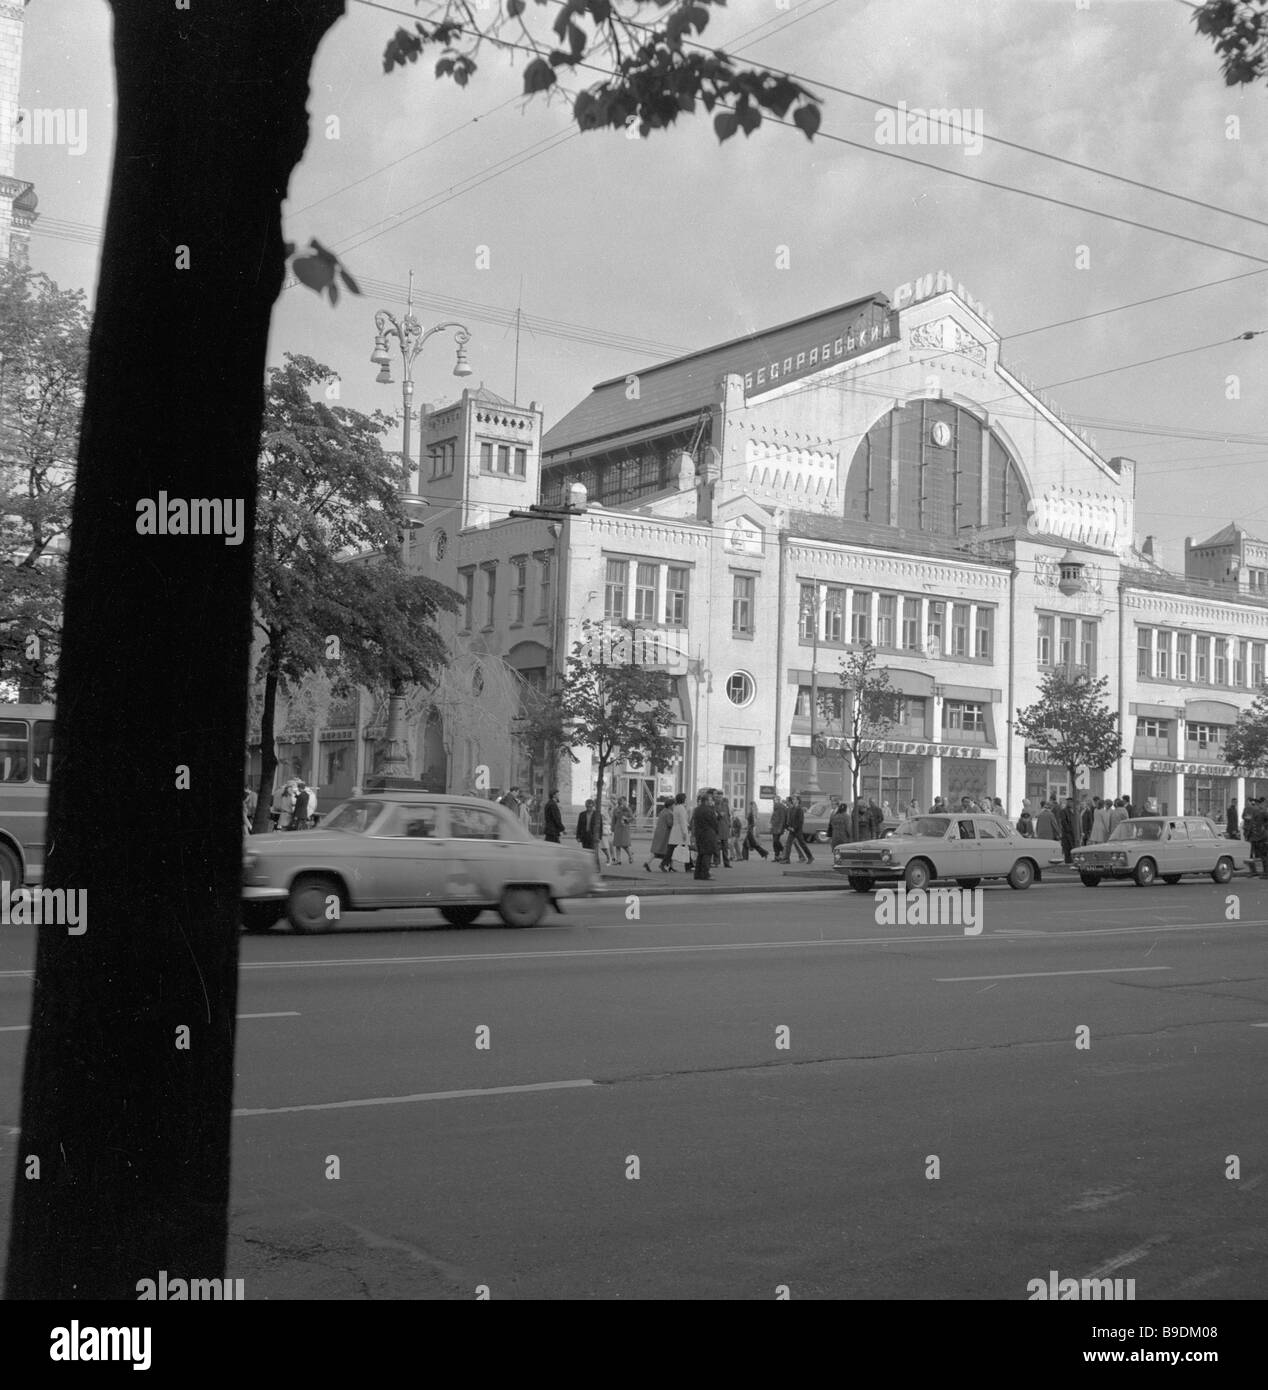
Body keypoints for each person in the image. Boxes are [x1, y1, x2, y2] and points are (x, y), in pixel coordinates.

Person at [690, 792, 719, 881]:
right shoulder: (709, 810)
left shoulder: (697, 810)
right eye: (710, 800)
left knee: (701, 854)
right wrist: (716, 832)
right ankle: (705, 874)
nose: (711, 802)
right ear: (706, 801)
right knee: (707, 854)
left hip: (699, 834)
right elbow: (714, 823)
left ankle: (697, 874)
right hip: (708, 834)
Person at [646, 799, 675, 873]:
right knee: (668, 850)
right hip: (665, 834)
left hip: (659, 832)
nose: (674, 806)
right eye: (673, 805)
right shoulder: (669, 813)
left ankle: (648, 863)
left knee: (657, 850)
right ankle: (666, 865)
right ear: (670, 805)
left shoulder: (662, 811)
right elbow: (669, 824)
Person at [784, 795, 814, 864]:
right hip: (792, 830)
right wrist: (788, 826)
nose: (793, 801)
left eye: (794, 799)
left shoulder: (799, 809)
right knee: (788, 844)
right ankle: (786, 859)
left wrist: (794, 828)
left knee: (802, 844)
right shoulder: (792, 809)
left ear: (798, 800)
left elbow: (800, 821)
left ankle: (810, 857)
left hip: (797, 830)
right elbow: (791, 819)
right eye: (793, 799)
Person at [671, 791, 690, 870]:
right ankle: (688, 866)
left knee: (672, 848)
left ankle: (666, 863)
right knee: (687, 848)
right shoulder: (682, 808)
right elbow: (682, 821)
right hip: (681, 831)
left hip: (675, 830)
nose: (686, 800)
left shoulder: (676, 808)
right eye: (685, 799)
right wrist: (685, 833)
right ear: (683, 800)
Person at [612, 798, 634, 864]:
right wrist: (612, 828)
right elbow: (614, 819)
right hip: (618, 828)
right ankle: (618, 860)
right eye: (620, 801)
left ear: (625, 802)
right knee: (617, 845)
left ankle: (630, 856)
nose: (620, 802)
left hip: (625, 828)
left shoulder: (628, 809)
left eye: (622, 801)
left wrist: (627, 819)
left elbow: (632, 818)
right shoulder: (616, 809)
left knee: (625, 845)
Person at [1060, 797, 1078, 864]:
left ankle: (1073, 863)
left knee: (1073, 850)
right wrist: (1069, 830)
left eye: (1071, 802)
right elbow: (1064, 822)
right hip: (1067, 834)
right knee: (1067, 850)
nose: (1069, 803)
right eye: (1068, 802)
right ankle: (1068, 864)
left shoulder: (1075, 811)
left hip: (1074, 834)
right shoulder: (1064, 811)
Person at [769, 797, 787, 861]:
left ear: (779, 800)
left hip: (778, 827)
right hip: (774, 827)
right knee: (774, 842)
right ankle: (776, 857)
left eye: (775, 800)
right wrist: (770, 823)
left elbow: (782, 818)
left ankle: (783, 850)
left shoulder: (781, 807)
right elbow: (773, 816)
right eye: (773, 800)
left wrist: (780, 828)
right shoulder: (775, 807)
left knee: (776, 841)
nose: (774, 801)